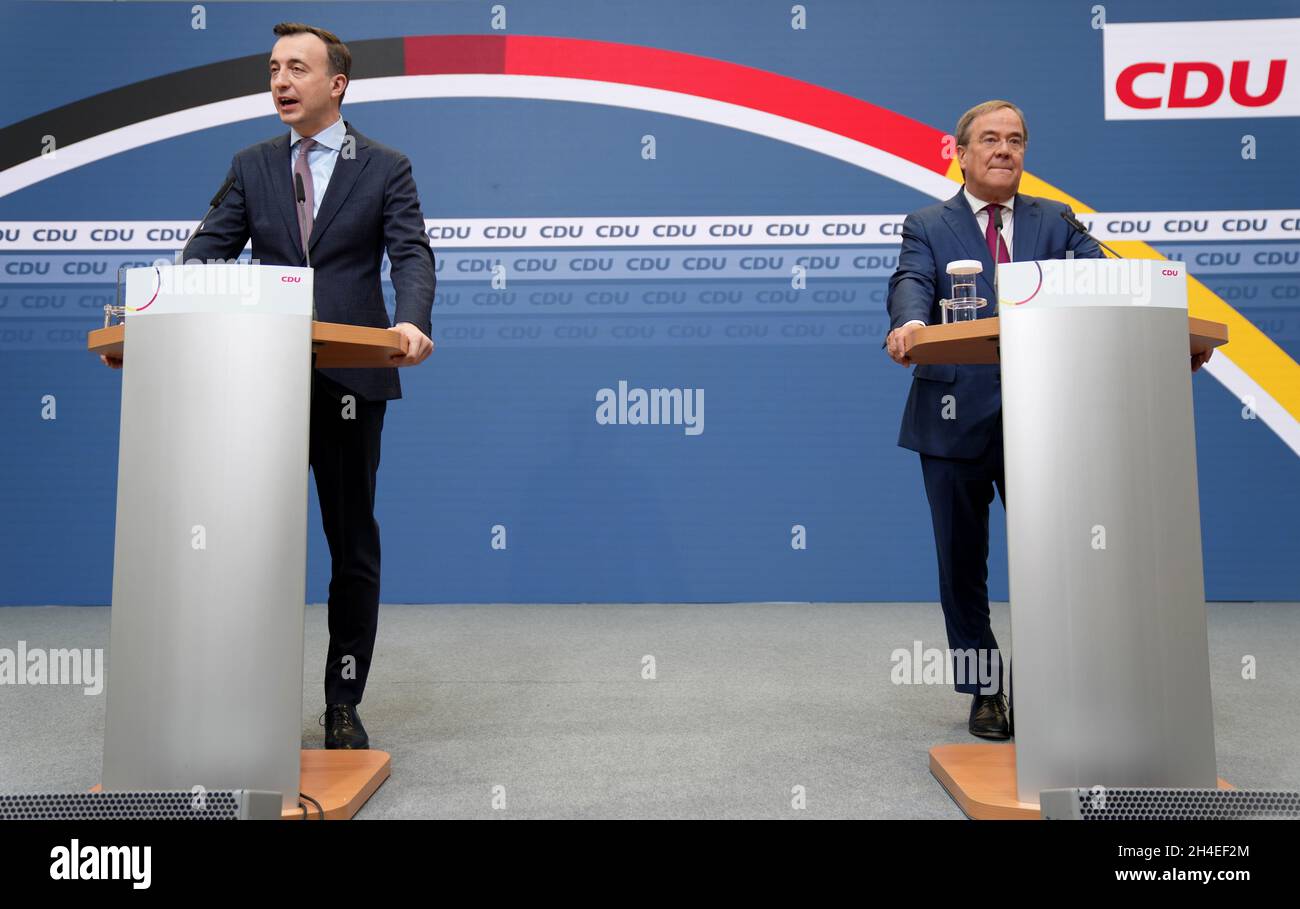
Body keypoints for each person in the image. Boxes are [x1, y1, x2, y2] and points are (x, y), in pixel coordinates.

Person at [114, 22, 438, 749]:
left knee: (351, 546)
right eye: (272, 70)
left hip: (352, 379)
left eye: (297, 68)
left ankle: (342, 704)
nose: (281, 81)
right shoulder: (252, 165)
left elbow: (411, 254)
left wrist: (411, 321)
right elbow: (206, 253)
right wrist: (163, 307)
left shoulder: (385, 165)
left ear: (337, 85)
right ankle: (234, 704)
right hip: (257, 384)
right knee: (243, 545)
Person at [883, 100, 1103, 739]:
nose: (1005, 150)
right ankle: (985, 691)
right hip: (953, 416)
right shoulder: (928, 223)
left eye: (1016, 140)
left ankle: (1062, 689)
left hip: (1046, 414)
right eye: (990, 139)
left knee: (1058, 558)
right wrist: (910, 325)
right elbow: (910, 283)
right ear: (960, 151)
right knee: (962, 562)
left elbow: (1107, 283)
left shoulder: (1057, 222)